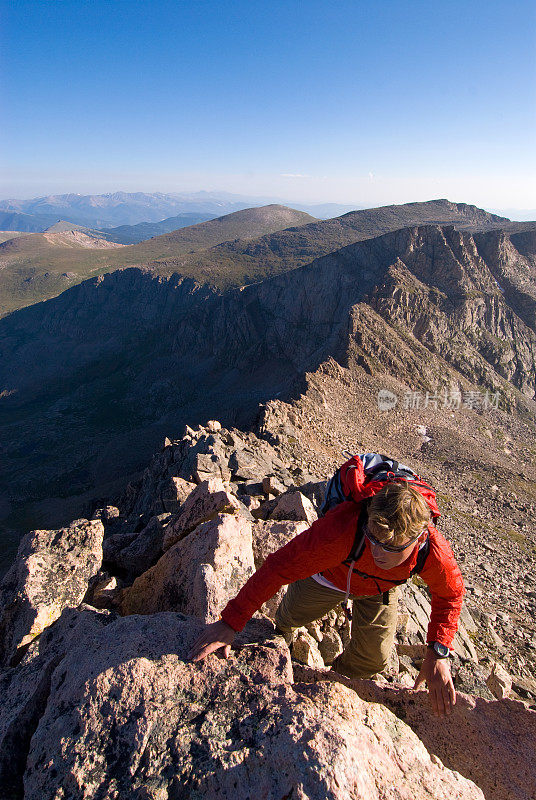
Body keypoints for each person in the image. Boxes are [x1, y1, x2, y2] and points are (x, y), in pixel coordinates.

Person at [187, 480, 464, 718]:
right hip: (331, 575)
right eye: (374, 539)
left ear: (419, 538)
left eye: (391, 547)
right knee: (289, 618)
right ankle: (284, 632)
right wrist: (231, 622)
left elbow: (450, 594)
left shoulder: (433, 552)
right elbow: (279, 567)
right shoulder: (342, 530)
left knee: (374, 659)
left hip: (380, 588)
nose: (378, 552)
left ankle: (335, 680)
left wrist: (438, 652)